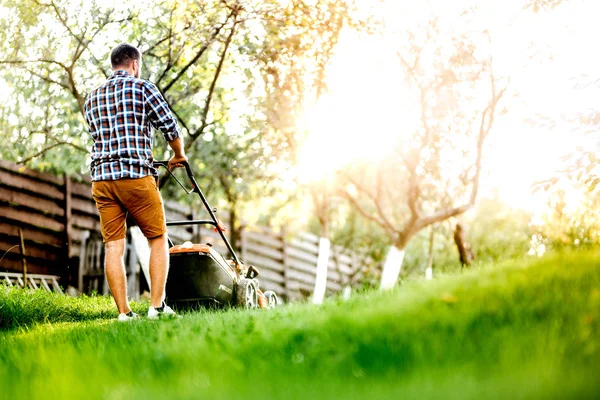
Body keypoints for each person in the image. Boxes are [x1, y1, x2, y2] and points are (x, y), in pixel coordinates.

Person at [84, 43, 187, 321]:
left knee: (113, 246)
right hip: (135, 177)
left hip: (102, 181)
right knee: (157, 238)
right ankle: (157, 307)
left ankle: (124, 313)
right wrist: (179, 154)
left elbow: (99, 136)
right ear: (134, 64)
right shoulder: (143, 88)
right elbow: (170, 127)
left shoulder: (91, 98)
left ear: (113, 64)